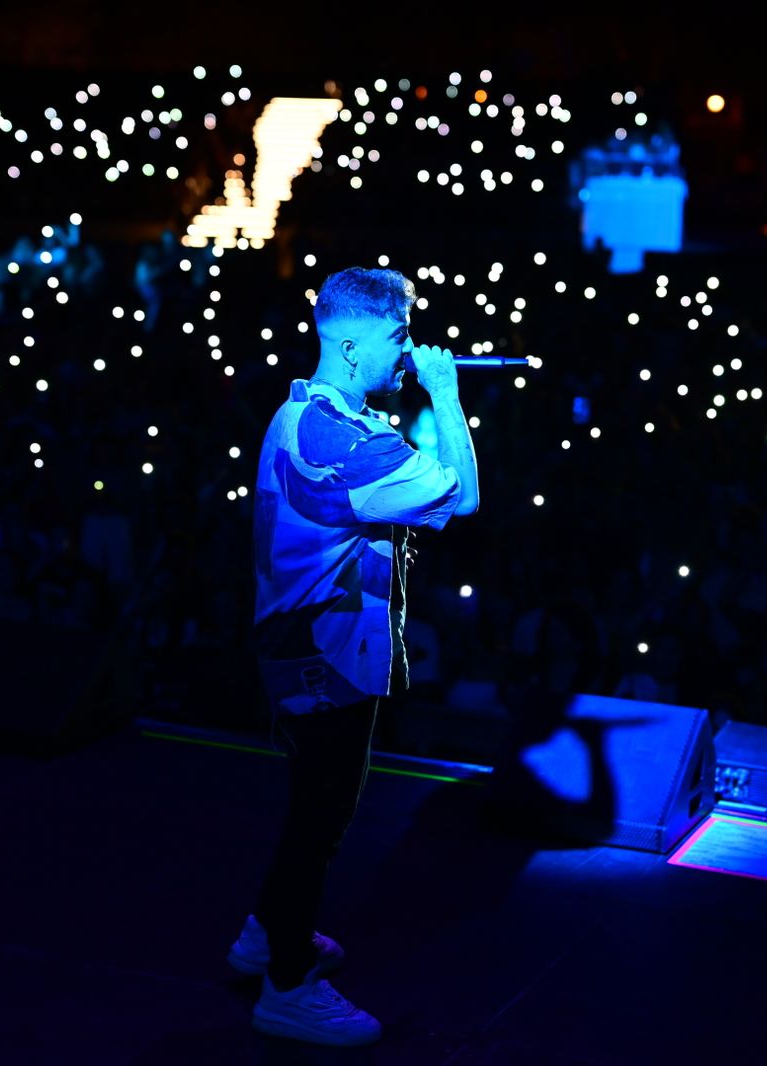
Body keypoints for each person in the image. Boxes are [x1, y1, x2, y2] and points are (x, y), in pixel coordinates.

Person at [231, 266, 478, 1047]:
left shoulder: (303, 412)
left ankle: (266, 935)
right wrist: (447, 394)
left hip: (304, 647)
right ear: (348, 341)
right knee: (322, 819)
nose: (408, 352)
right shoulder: (344, 443)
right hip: (322, 654)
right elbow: (461, 496)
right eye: (399, 336)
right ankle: (288, 986)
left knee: (315, 809)